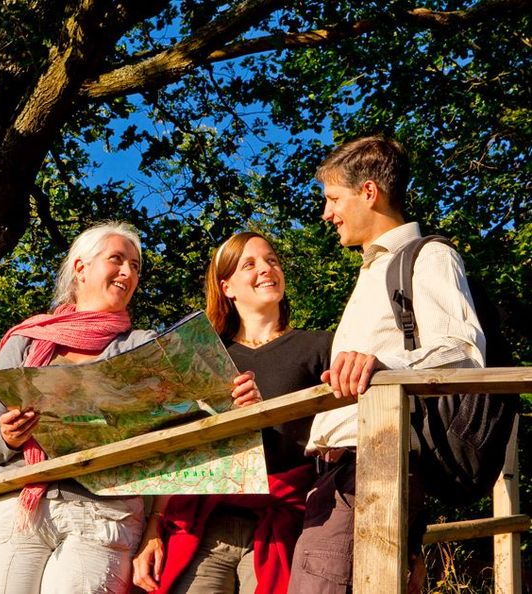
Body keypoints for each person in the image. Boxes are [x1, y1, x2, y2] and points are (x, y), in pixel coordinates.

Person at [287, 136, 485, 593]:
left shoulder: (429, 256)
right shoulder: (373, 270)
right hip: (343, 473)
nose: (326, 213)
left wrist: (382, 363)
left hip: (372, 464)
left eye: (334, 199)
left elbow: (462, 351)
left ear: (369, 192)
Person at [0, 221, 178, 593]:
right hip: (17, 509)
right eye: (117, 259)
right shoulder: (27, 343)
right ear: (81, 268)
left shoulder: (142, 346)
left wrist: (157, 523)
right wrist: (6, 436)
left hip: (103, 515)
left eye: (136, 266)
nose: (128, 272)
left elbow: (172, 438)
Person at [132, 231, 332, 594]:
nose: (267, 269)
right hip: (207, 526)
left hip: (290, 527)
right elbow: (182, 456)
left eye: (272, 260)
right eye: (250, 264)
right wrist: (153, 529)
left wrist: (261, 418)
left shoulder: (321, 346)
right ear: (227, 287)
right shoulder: (204, 359)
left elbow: (335, 440)